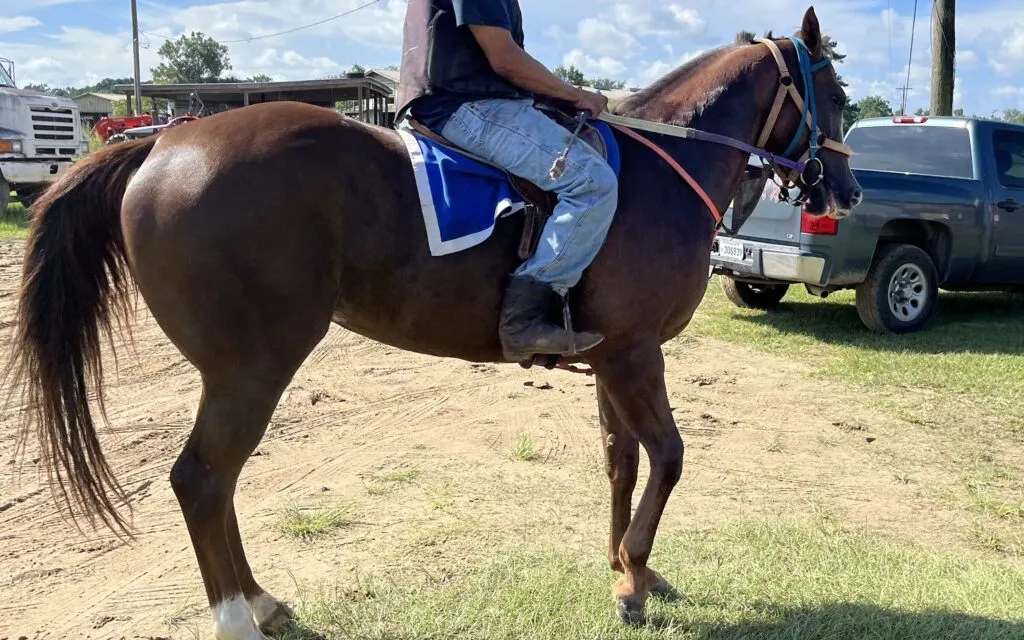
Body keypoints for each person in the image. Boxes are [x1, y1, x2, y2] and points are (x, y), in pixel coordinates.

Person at [395, 0, 619, 364]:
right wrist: (577, 95)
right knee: (592, 183)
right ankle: (525, 320)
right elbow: (504, 58)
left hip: (454, 100)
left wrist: (556, 89)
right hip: (466, 106)